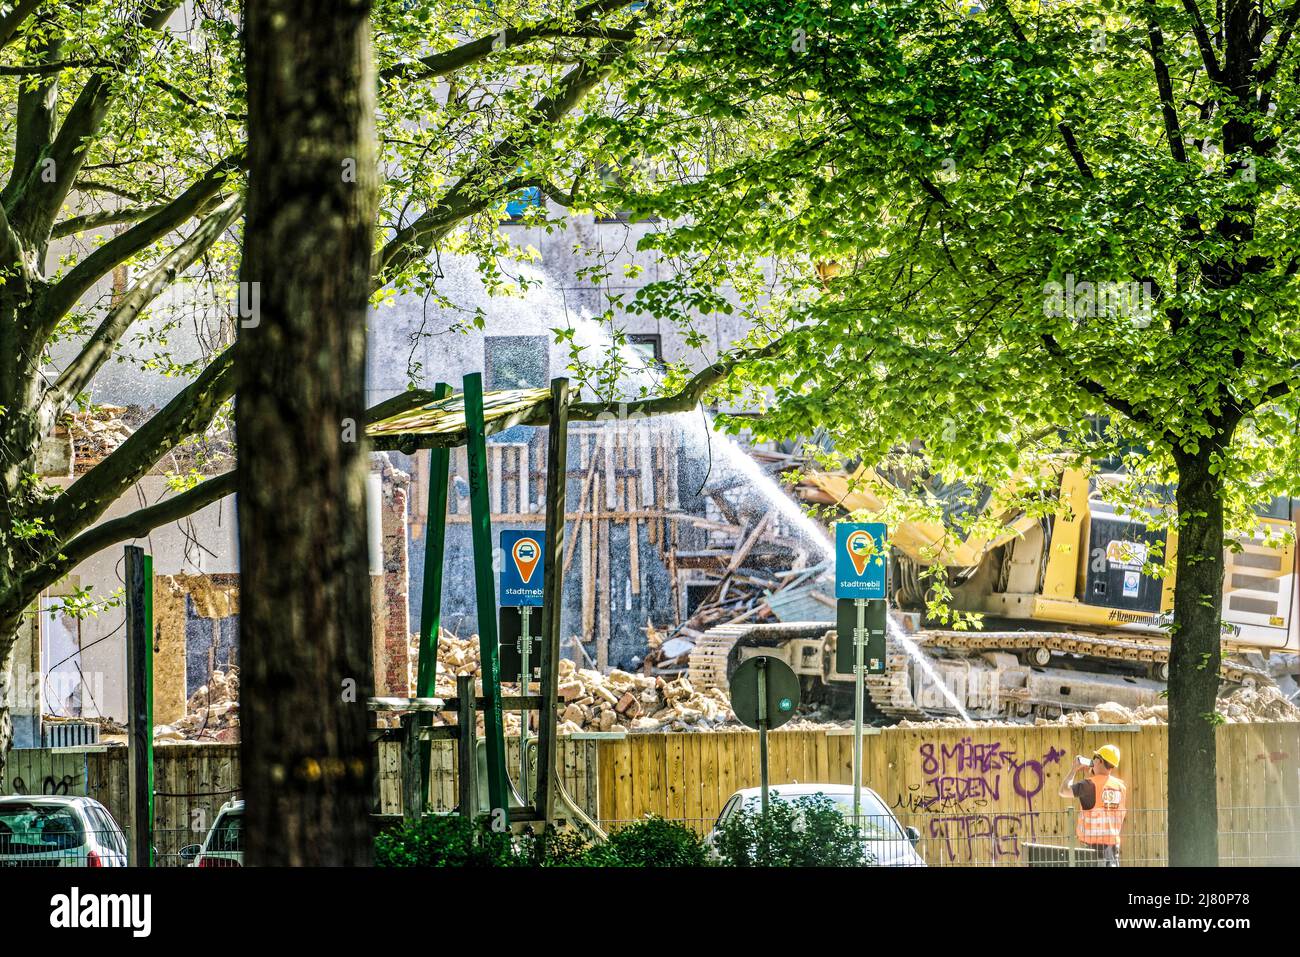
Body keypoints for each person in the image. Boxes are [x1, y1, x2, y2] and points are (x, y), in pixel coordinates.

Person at [1057, 743, 1127, 866]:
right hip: (1113, 848)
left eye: (1094, 757)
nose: (1092, 760)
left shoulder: (1089, 785)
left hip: (1092, 850)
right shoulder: (1120, 787)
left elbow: (1063, 791)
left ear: (1099, 761)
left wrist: (1074, 769)